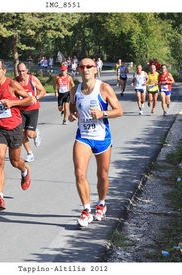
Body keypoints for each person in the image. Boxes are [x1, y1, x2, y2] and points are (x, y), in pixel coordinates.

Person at [68, 58, 123, 228]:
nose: (85, 69)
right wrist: (73, 114)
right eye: (82, 67)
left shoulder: (104, 88)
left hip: (101, 138)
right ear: (78, 70)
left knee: (103, 175)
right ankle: (86, 210)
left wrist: (102, 114)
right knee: (79, 173)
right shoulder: (74, 90)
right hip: (83, 136)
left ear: (95, 69)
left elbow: (119, 111)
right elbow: (72, 106)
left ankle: (101, 203)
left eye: (89, 66)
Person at [0, 59, 36, 210]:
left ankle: (24, 170)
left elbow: (30, 99)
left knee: (14, 161)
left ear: (4, 71)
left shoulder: (12, 85)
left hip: (14, 128)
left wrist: (12, 103)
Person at [16, 63, 47, 162]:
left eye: (23, 71)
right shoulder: (15, 81)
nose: (21, 73)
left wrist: (36, 97)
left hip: (33, 109)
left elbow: (43, 91)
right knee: (21, 133)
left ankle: (35, 133)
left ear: (27, 70)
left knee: (30, 134)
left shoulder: (32, 79)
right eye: (19, 71)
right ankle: (29, 153)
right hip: (21, 110)